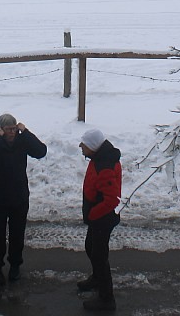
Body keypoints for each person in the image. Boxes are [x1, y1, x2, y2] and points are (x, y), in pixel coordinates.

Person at [0, 112, 48, 285]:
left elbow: (41, 151)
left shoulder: (22, 141)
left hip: (19, 196)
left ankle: (15, 265)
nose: (12, 133)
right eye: (8, 130)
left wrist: (26, 132)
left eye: (14, 129)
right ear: (0, 129)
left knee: (17, 234)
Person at [77, 127, 121, 311]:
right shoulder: (98, 157)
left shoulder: (105, 166)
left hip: (103, 217)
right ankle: (97, 278)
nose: (81, 147)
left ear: (94, 146)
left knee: (99, 256)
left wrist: (93, 214)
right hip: (97, 216)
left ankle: (106, 299)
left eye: (84, 144)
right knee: (91, 247)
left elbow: (112, 200)